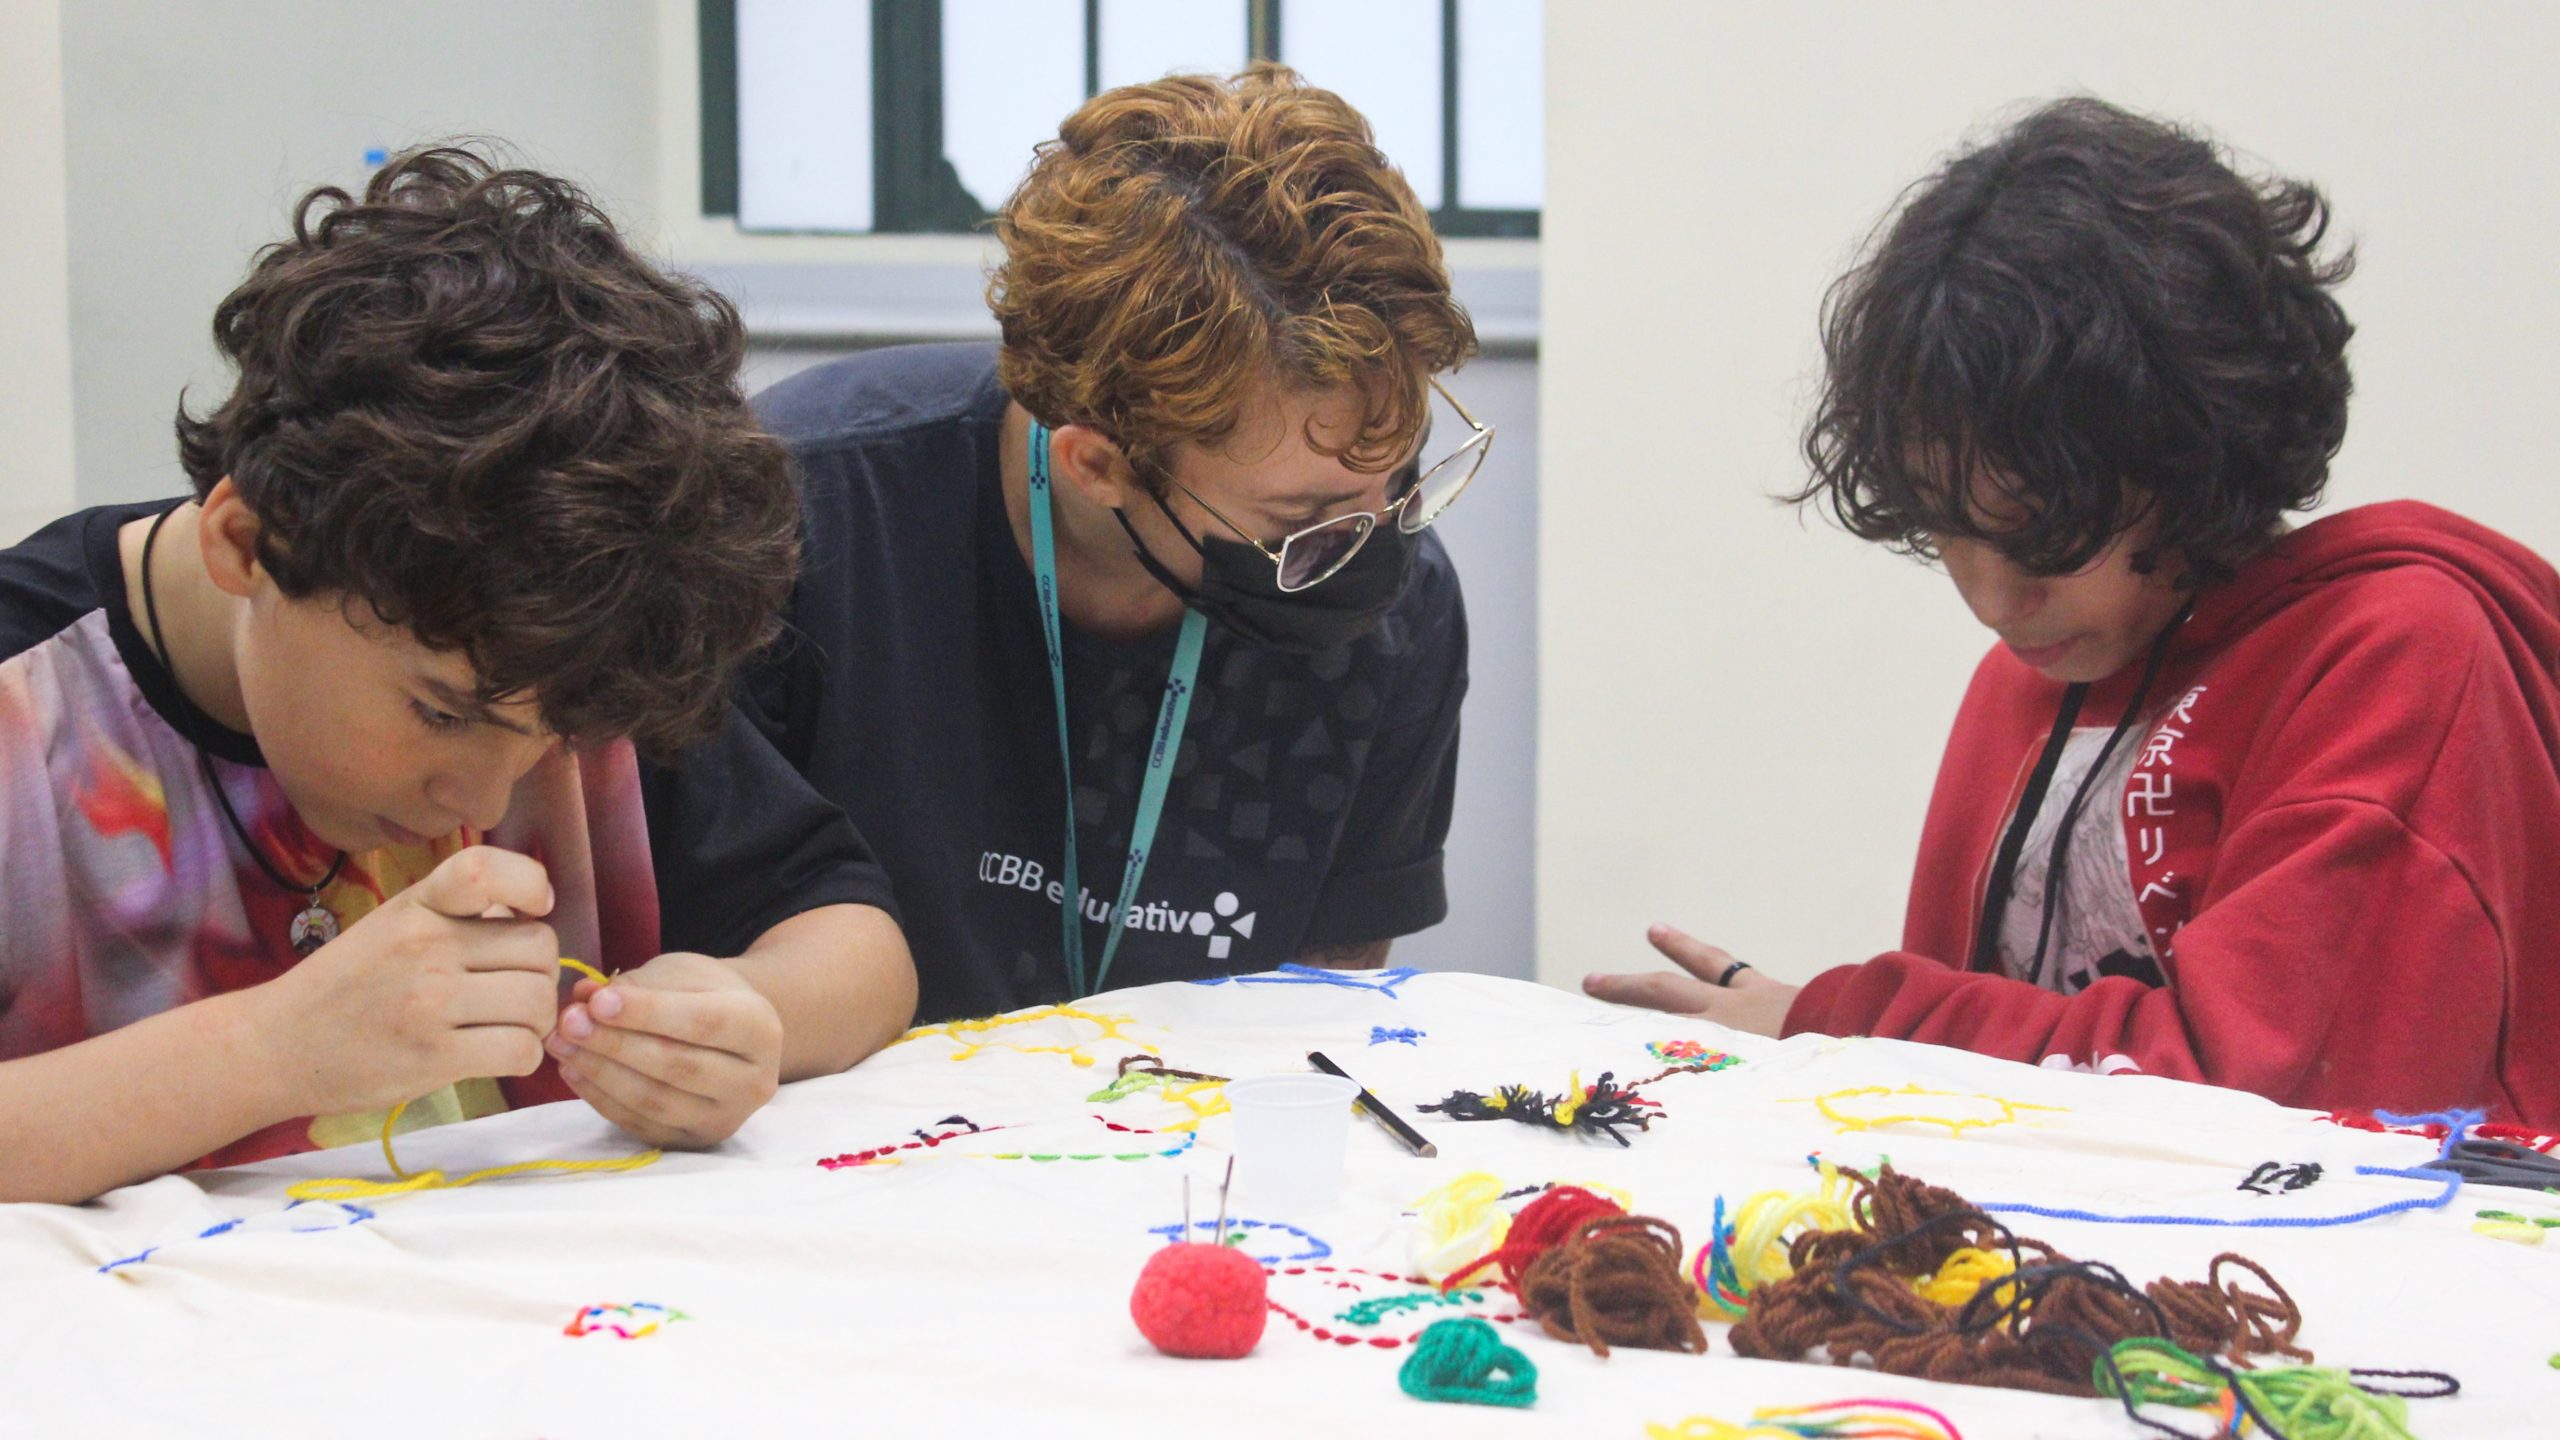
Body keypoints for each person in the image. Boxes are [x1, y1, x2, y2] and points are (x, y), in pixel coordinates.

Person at [1584, 98, 2560, 1125]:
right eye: (1948, 529)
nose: (1994, 601)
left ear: (2192, 456)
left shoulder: (2398, 652)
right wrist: (1815, 1042)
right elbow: (1990, 1064)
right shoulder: (2030, 679)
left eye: (2047, 534)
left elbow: (2257, 1105)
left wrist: (1845, 1027)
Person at [0, 148, 916, 1204]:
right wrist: (271, 1049)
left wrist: (748, 1016)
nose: (485, 798)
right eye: (440, 713)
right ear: (247, 542)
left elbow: (858, 941)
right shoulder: (34, 701)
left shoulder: (567, 648)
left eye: (551, 739)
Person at [742, 65, 1485, 1022]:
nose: (1374, 543)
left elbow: (1319, 1015)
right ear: (1098, 465)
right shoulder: (802, 524)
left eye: (1404, 470)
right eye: (1299, 524)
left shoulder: (1398, 604)